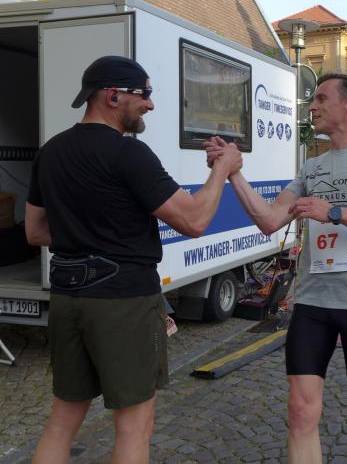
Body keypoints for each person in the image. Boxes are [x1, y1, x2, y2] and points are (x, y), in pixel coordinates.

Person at [26, 55, 242, 464]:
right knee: (134, 424)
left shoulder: (51, 151)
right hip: (122, 299)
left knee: (63, 419)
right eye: (144, 94)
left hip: (68, 297)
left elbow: (35, 232)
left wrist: (85, 231)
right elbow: (194, 220)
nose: (150, 104)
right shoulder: (128, 153)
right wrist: (222, 169)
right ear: (112, 96)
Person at [205, 73, 347, 464]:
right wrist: (231, 172)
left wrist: (336, 212)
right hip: (311, 302)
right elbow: (270, 219)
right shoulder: (311, 168)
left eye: (322, 98)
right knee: (300, 411)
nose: (313, 106)